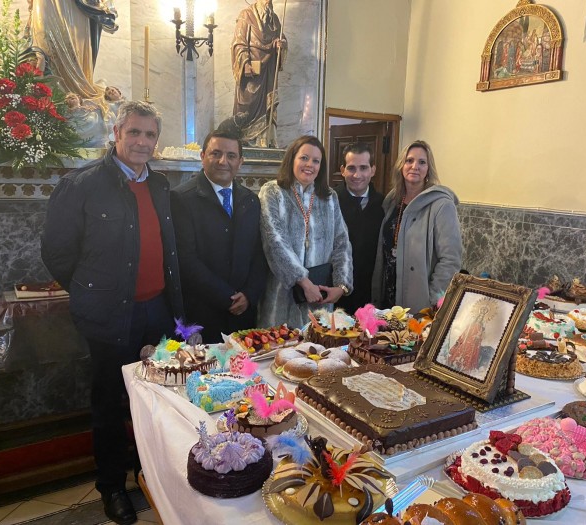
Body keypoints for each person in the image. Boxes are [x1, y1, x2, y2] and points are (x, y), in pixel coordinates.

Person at [41, 101, 183, 525]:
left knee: (156, 401)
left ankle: (151, 476)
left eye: (150, 135)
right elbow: (56, 253)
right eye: (134, 132)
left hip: (157, 313)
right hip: (109, 316)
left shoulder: (160, 186)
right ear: (116, 134)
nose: (142, 142)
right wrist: (89, 292)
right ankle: (112, 488)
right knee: (109, 403)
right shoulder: (82, 185)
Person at [170, 131, 267, 343]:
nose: (223, 161)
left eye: (231, 156)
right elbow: (185, 259)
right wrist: (227, 297)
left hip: (244, 313)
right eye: (216, 153)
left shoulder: (251, 200)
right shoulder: (181, 199)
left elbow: (259, 254)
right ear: (203, 156)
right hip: (203, 312)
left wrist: (250, 295)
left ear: (240, 162)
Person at [259, 135, 353, 328]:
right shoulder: (272, 192)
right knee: (278, 350)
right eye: (304, 158)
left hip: (319, 296)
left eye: (316, 161)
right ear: (292, 159)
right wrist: (303, 281)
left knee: (318, 351)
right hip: (282, 294)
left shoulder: (329, 197)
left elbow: (341, 242)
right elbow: (275, 240)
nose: (310, 164)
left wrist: (341, 286)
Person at [372, 140, 462, 312]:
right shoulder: (392, 202)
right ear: (401, 165)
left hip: (418, 302)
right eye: (409, 160)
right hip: (387, 298)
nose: (415, 166)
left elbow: (451, 260)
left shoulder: (441, 205)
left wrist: (432, 298)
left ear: (428, 169)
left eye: (422, 162)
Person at [334, 143, 384, 313]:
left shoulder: (384, 205)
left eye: (363, 168)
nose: (357, 175)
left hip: (372, 293)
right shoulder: (329, 202)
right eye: (351, 168)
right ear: (342, 170)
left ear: (373, 170)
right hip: (335, 292)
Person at [231, 0, 287, 147]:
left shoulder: (274, 19)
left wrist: (280, 45)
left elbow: (281, 38)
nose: (268, 2)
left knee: (268, 108)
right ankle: (247, 142)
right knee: (247, 107)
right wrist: (245, 62)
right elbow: (239, 43)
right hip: (252, 75)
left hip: (268, 72)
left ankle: (266, 140)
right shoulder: (246, 15)